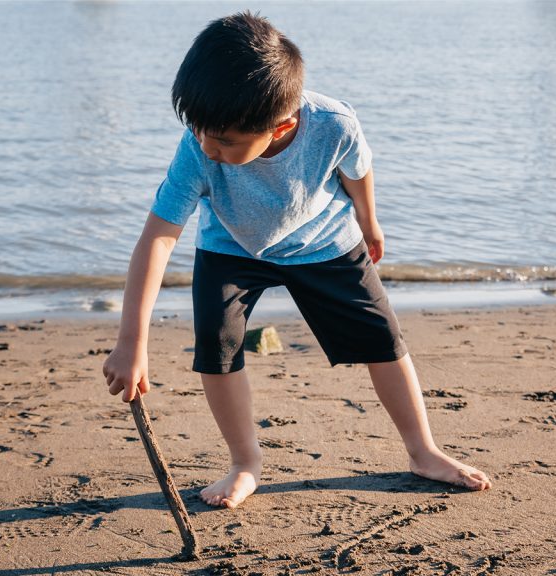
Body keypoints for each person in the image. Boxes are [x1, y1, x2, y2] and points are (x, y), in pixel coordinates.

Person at [102, 11, 491, 509]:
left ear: (281, 125)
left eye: (224, 141)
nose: (208, 147)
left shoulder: (333, 125)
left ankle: (423, 451)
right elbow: (158, 237)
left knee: (383, 342)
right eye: (199, 131)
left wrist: (370, 222)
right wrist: (132, 341)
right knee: (216, 348)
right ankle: (245, 463)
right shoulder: (198, 147)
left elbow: (358, 171)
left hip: (324, 240)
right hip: (232, 246)